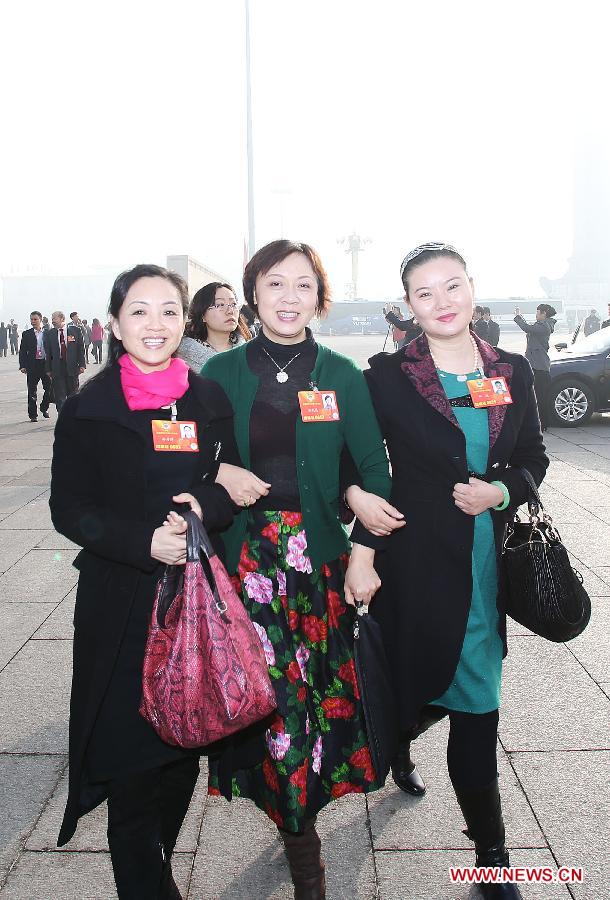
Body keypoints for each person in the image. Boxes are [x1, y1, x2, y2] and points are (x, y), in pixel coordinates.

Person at [49, 263, 260, 899]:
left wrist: (202, 506)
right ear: (114, 323)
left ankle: (156, 862)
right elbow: (70, 509)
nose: (155, 324)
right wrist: (139, 539)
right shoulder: (88, 410)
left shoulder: (205, 400)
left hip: (192, 605)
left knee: (179, 757)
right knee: (131, 770)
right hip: (121, 608)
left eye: (169, 310)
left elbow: (230, 486)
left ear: (183, 321)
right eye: (139, 311)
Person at [201, 239, 400, 899]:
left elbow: (372, 467)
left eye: (303, 286)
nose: (289, 298)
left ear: (320, 297)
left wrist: (364, 550)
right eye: (275, 284)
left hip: (316, 566)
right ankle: (303, 851)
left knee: (308, 713)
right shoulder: (221, 372)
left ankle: (299, 836)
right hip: (246, 567)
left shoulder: (341, 373)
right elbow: (181, 457)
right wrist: (217, 470)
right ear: (252, 293)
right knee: (274, 713)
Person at [350, 243, 548, 899]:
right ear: (409, 306)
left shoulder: (513, 371)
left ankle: (491, 860)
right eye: (424, 293)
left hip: (485, 569)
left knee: (478, 706)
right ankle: (402, 737)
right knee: (422, 680)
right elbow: (353, 461)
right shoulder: (385, 377)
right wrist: (357, 508)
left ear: (471, 289)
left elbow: (531, 459)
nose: (441, 302)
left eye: (451, 286)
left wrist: (502, 493)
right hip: (416, 564)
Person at [176, 281, 248, 372]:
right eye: (220, 305)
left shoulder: (248, 351)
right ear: (203, 315)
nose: (230, 311)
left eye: (233, 304)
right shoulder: (183, 358)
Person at [514, 303, 557, 431]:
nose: (536, 314)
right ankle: (540, 423)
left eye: (538, 312)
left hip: (539, 366)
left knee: (540, 396)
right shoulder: (543, 325)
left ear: (544, 314)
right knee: (536, 395)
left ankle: (543, 423)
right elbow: (530, 327)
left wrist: (518, 317)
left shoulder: (544, 326)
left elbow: (527, 328)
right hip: (535, 364)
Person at [44, 311, 86, 412]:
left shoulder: (75, 331)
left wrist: (82, 365)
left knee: (73, 395)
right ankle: (62, 421)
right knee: (60, 396)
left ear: (62, 319)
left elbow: (80, 349)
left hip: (72, 367)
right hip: (57, 368)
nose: (52, 321)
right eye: (52, 318)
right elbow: (48, 353)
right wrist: (48, 369)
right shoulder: (50, 333)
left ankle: (73, 418)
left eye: (54, 318)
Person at [18, 310, 53, 420]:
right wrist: (22, 365)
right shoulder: (27, 334)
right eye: (31, 319)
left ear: (40, 319)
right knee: (32, 390)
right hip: (33, 365)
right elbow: (23, 351)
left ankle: (44, 407)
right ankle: (33, 414)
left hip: (46, 365)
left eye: (35, 319)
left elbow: (53, 350)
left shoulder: (48, 333)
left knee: (49, 389)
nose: (33, 321)